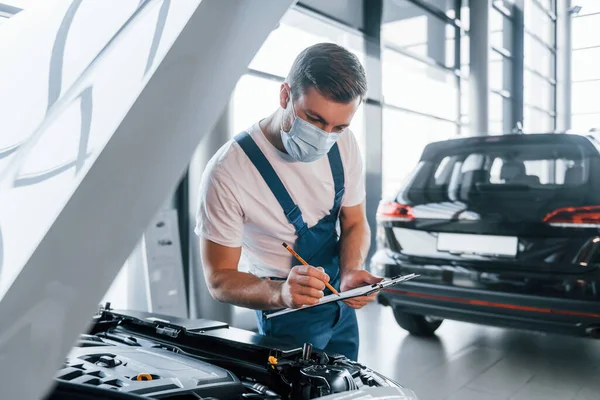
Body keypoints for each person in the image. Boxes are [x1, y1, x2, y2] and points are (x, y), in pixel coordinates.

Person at [195, 43, 381, 361]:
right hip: (285, 314)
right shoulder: (228, 171)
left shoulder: (345, 144)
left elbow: (353, 221)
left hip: (340, 302)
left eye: (338, 126)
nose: (326, 136)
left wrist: (351, 271)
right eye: (314, 119)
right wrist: (279, 293)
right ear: (285, 96)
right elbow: (219, 279)